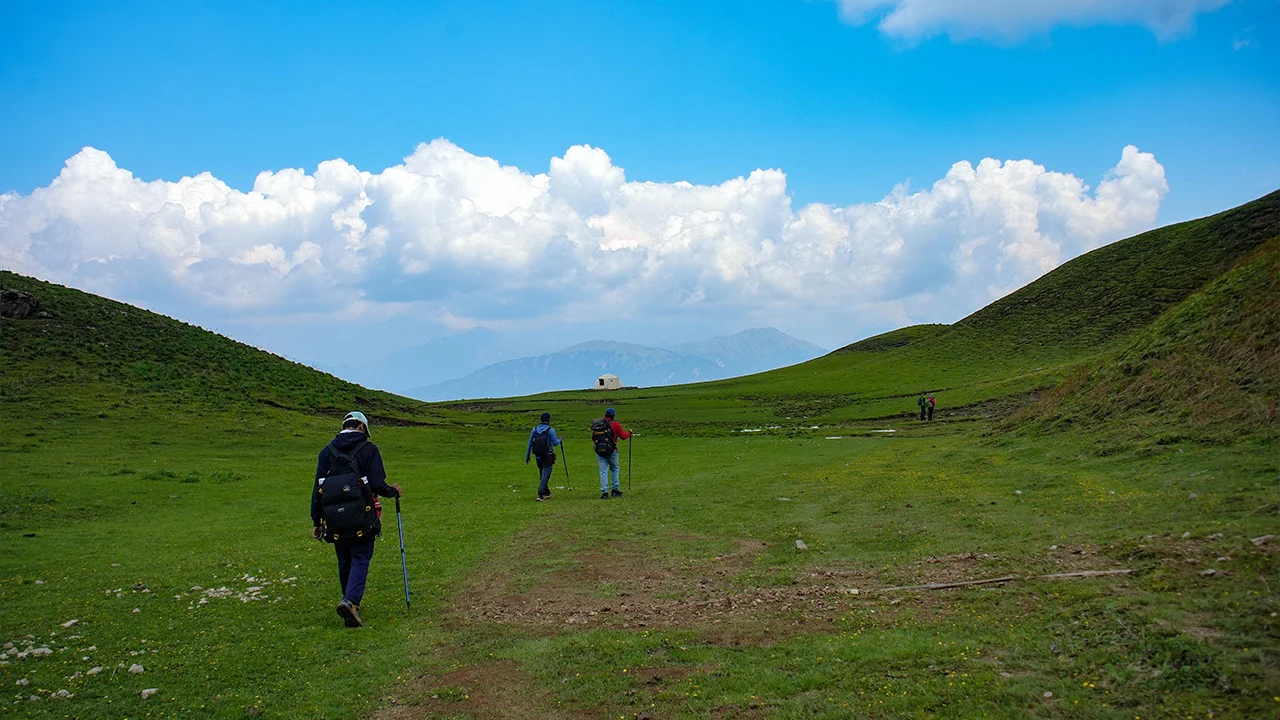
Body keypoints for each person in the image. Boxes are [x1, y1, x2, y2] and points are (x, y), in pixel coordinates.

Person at [311, 411, 402, 628]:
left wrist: (317, 521)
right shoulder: (368, 450)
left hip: (334, 517)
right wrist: (393, 491)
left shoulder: (326, 452)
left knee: (344, 559)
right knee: (361, 556)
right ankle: (350, 603)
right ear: (361, 427)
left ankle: (349, 602)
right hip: (362, 515)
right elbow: (378, 483)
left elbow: (318, 488)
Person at [591, 407, 632, 499]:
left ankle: (605, 492)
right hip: (612, 450)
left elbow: (593, 437)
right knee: (615, 468)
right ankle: (615, 490)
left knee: (603, 471)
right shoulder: (615, 424)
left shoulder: (599, 424)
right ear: (613, 415)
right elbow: (623, 436)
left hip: (599, 451)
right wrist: (629, 432)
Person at [525, 412, 563, 501]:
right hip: (548, 456)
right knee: (545, 475)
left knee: (542, 475)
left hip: (538, 456)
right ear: (549, 420)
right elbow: (555, 443)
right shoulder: (551, 430)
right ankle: (540, 494)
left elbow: (530, 443)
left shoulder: (534, 429)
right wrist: (560, 439)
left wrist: (527, 456)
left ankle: (547, 492)